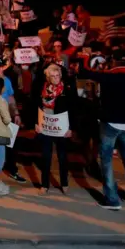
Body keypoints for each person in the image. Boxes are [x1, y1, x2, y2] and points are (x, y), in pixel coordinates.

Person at [79, 56, 125, 210]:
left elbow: (84, 71)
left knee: (107, 162)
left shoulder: (109, 77)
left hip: (110, 124)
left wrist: (84, 58)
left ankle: (112, 200)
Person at [34, 64, 77, 194]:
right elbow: (35, 105)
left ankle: (64, 183)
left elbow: (74, 108)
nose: (56, 78)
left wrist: (71, 128)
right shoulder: (42, 88)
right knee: (46, 157)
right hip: (46, 126)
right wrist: (36, 123)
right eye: (52, 76)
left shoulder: (67, 89)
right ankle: (45, 184)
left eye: (58, 76)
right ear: (47, 77)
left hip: (61, 127)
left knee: (62, 156)